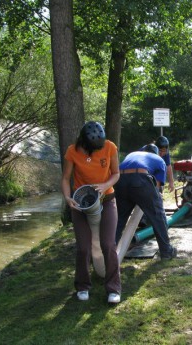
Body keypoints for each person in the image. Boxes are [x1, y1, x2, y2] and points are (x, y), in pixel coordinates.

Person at [61, 121, 121, 304]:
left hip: (107, 199)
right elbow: (65, 178)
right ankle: (82, 286)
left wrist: (104, 186)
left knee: (108, 244)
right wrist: (67, 197)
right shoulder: (72, 151)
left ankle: (113, 289)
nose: (97, 152)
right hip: (81, 203)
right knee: (83, 247)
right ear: (85, 145)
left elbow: (116, 173)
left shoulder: (110, 147)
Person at [115, 144, 177, 260]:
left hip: (119, 180)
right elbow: (157, 187)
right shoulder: (159, 159)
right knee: (158, 215)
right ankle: (166, 251)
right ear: (156, 152)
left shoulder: (132, 154)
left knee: (119, 219)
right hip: (140, 179)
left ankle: (108, 254)